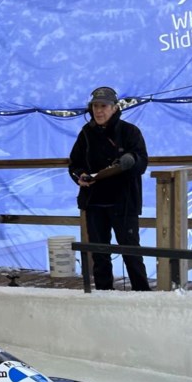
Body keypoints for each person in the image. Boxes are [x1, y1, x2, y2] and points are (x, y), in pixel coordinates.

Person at [68, 85, 151, 291]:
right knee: (99, 253)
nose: (99, 110)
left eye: (103, 106)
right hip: (94, 200)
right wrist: (80, 177)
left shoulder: (130, 131)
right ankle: (104, 294)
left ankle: (143, 293)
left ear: (114, 108)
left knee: (130, 251)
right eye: (95, 106)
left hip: (123, 202)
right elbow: (74, 163)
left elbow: (142, 162)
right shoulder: (86, 133)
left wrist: (130, 160)